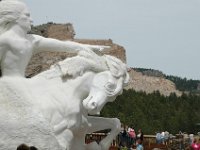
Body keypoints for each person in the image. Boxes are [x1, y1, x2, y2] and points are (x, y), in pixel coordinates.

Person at [0, 0, 108, 77]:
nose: (31, 20)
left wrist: (89, 47)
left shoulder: (33, 40)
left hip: (24, 84)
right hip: (9, 87)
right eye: (27, 16)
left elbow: (64, 45)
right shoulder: (4, 41)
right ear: (14, 18)